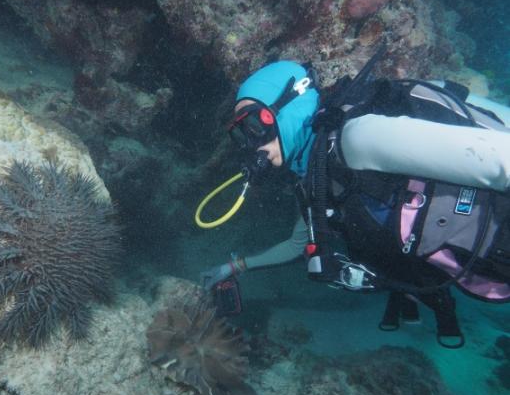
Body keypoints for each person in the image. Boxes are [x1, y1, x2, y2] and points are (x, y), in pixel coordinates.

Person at [199, 50, 510, 348]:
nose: (253, 145)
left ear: (289, 105)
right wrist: (233, 267)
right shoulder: (317, 174)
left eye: (255, 126)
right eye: (242, 136)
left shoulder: (356, 138)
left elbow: (500, 158)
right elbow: (296, 245)